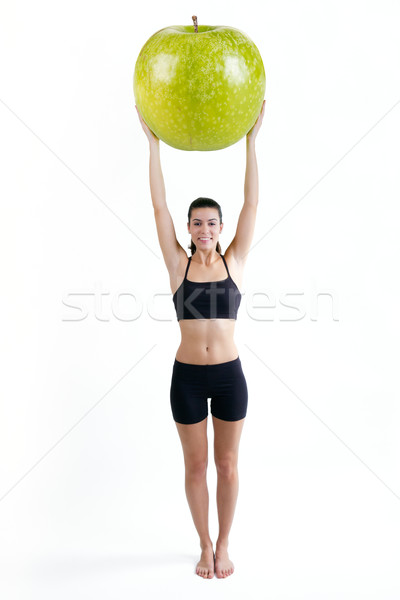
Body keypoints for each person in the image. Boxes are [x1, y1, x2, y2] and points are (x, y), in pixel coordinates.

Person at [136, 100, 265, 579]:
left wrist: (251, 142)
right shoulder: (178, 265)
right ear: (189, 231)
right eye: (198, 223)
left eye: (213, 222)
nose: (205, 229)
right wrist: (154, 147)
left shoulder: (235, 261)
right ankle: (204, 543)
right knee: (195, 468)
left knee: (227, 465)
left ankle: (226, 542)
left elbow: (252, 202)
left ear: (222, 228)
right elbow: (157, 205)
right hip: (187, 378)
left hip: (230, 376)